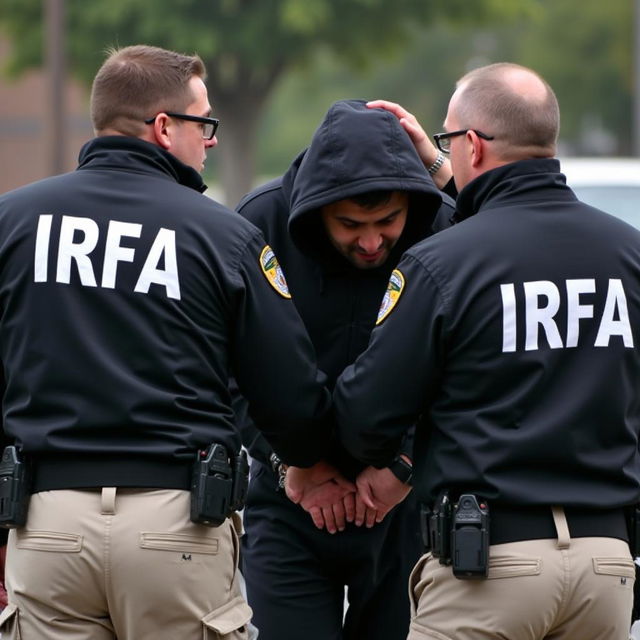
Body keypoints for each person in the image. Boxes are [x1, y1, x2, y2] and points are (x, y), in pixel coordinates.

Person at [0, 44, 333, 640]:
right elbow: (291, 395)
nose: (209, 140)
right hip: (177, 526)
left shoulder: (13, 222)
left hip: (45, 521)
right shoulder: (224, 236)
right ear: (163, 127)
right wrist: (312, 462)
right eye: (203, 124)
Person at [334, 63, 640, 640]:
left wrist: (391, 460)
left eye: (449, 140)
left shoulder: (444, 263)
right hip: (608, 563)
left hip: (487, 564)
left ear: (471, 145)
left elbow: (365, 415)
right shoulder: (628, 253)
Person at [234, 99, 455, 640]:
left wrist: (404, 463)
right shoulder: (260, 223)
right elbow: (226, 367)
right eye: (350, 224)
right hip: (288, 502)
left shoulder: (445, 225)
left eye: (389, 221)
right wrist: (291, 464)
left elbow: (474, 365)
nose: (372, 241)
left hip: (406, 505)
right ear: (315, 212)